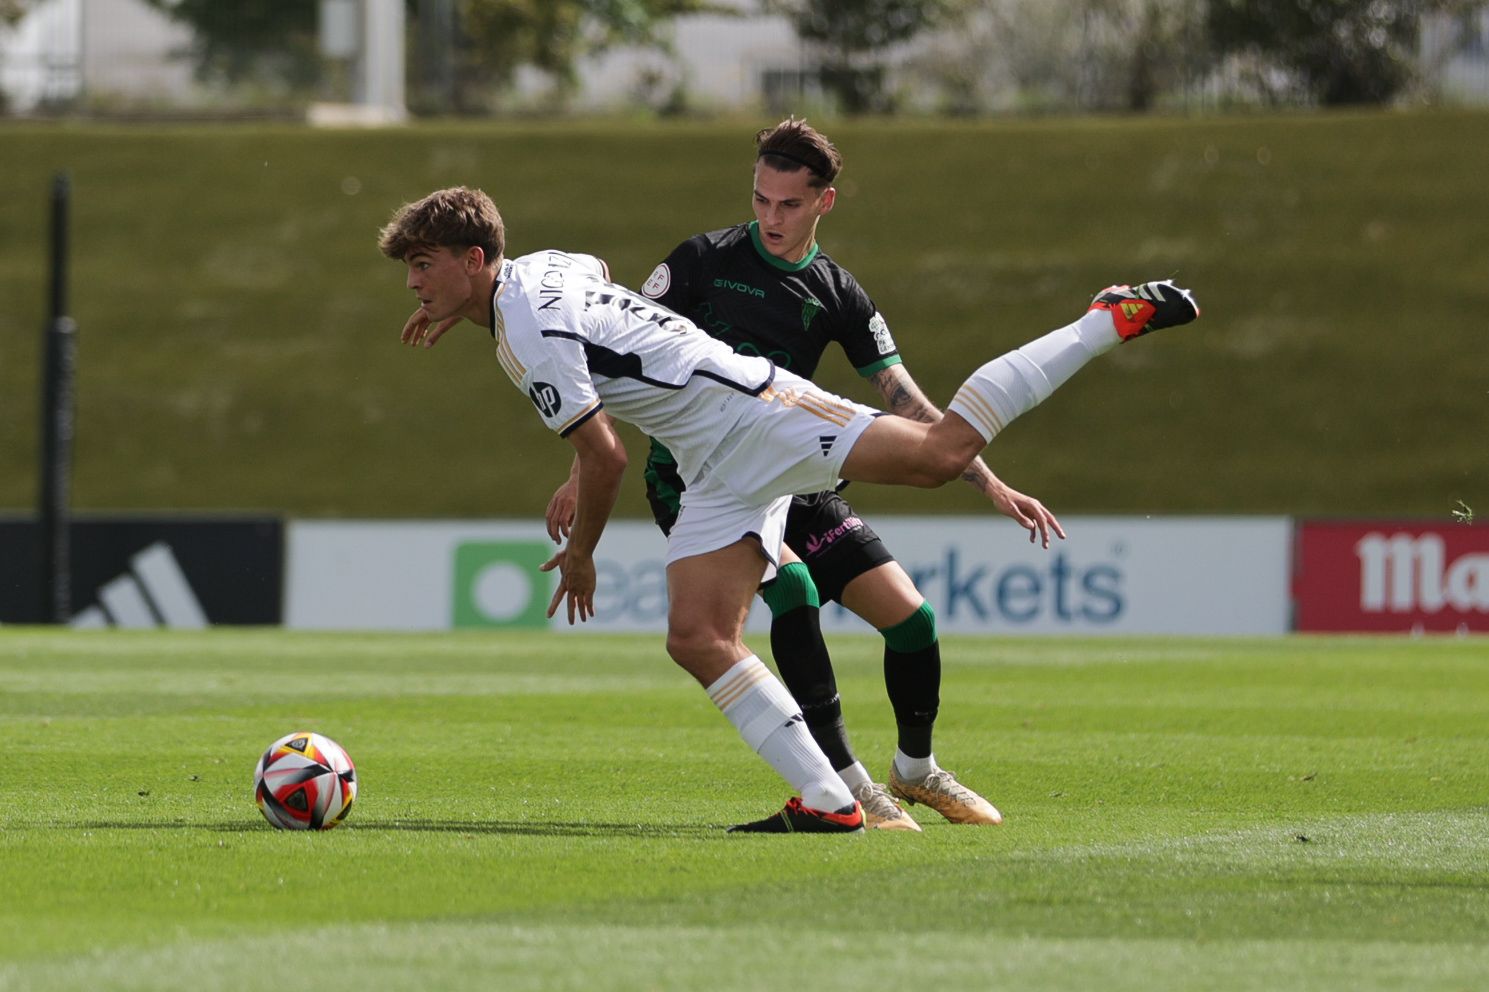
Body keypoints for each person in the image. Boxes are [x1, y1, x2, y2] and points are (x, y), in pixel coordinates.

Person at [380, 185, 1199, 834]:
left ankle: (1103, 320)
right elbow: (592, 281)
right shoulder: (544, 268)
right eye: (410, 271)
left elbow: (606, 456)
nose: (413, 283)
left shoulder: (522, 336)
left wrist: (585, 550)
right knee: (696, 637)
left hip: (756, 413)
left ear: (476, 257)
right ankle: (830, 801)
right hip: (714, 454)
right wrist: (470, 306)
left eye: (424, 266)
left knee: (941, 453)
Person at [543, 119, 1060, 831]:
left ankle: (914, 771)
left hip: (796, 467)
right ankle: (847, 787)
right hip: (696, 478)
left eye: (788, 204)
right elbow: (610, 357)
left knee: (912, 621)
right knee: (794, 589)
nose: (770, 217)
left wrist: (987, 480)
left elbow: (905, 402)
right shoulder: (700, 261)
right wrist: (580, 469)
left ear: (825, 202)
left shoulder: (838, 294)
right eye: (760, 200)